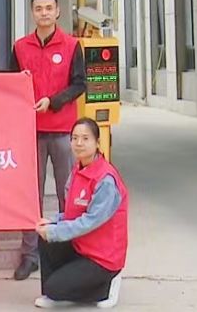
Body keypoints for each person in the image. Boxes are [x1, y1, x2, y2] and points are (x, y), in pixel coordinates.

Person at [10, 0, 86, 280]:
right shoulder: (20, 47)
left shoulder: (71, 45)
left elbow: (79, 84)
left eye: (48, 8)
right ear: (32, 13)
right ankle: (30, 255)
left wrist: (53, 102)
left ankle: (69, 251)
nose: (44, 13)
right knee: (32, 195)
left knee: (68, 193)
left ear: (57, 12)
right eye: (39, 8)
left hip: (64, 130)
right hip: (30, 130)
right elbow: (11, 84)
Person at [33, 118, 127, 309]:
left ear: (97, 143)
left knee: (55, 285)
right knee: (45, 236)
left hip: (102, 258)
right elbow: (72, 212)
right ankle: (55, 292)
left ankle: (107, 285)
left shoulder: (106, 180)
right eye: (74, 138)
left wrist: (55, 231)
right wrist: (52, 221)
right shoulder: (78, 169)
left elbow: (90, 221)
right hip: (82, 247)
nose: (79, 143)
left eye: (85, 138)